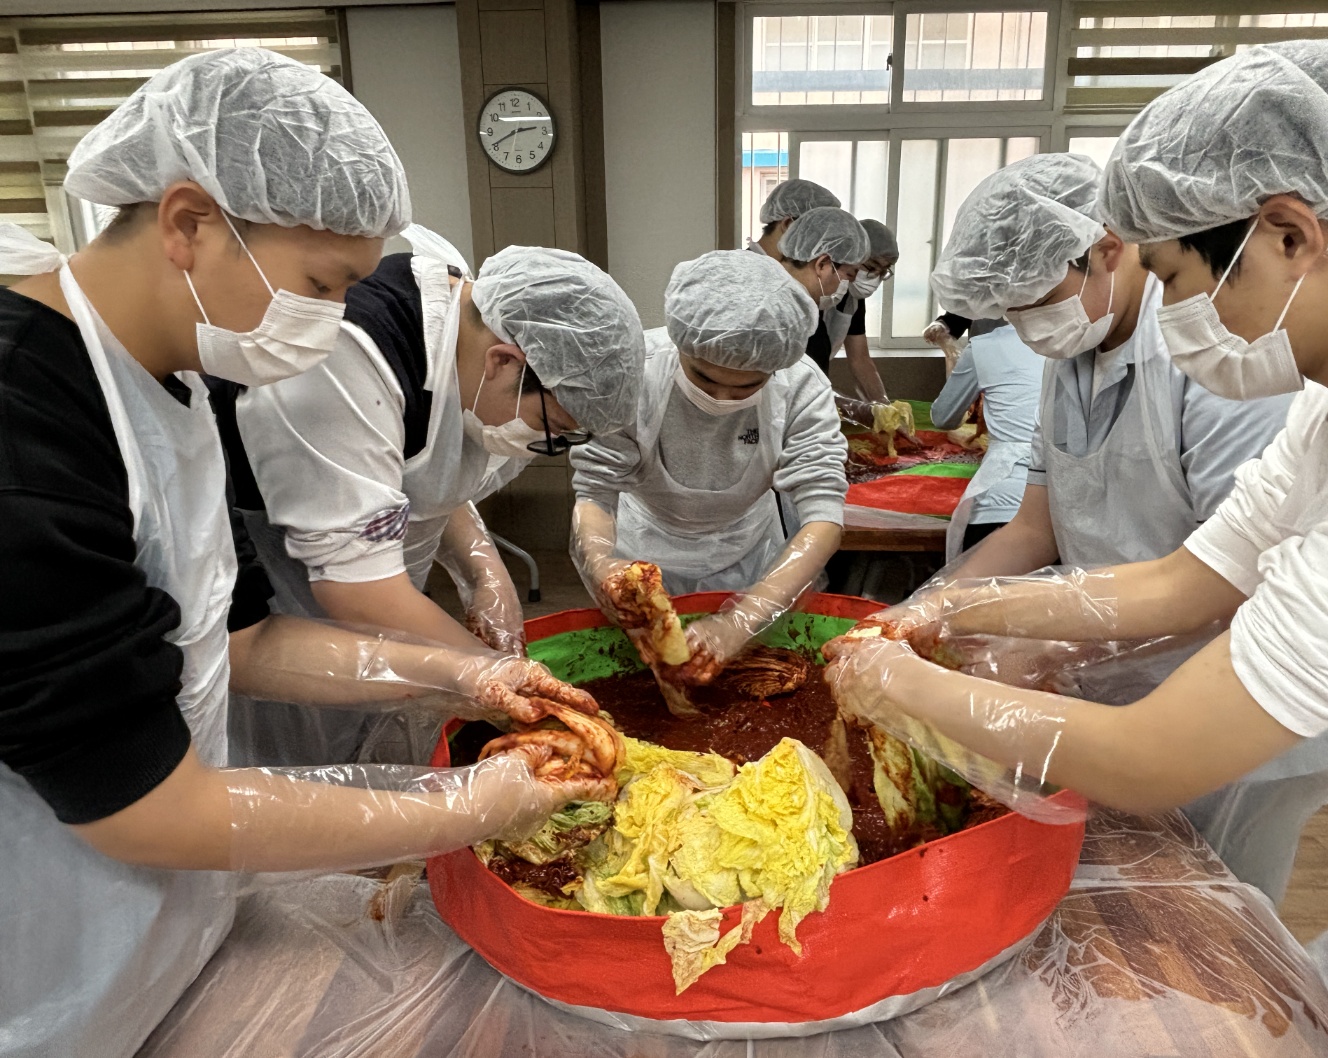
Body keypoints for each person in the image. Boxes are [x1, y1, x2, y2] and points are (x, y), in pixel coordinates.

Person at [0, 50, 607, 1058]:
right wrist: (466, 804)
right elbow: (141, 807)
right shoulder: (27, 422)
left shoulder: (174, 379)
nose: (326, 324)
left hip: (169, 928)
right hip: (51, 950)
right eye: (321, 285)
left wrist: (465, 670)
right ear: (190, 224)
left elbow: (240, 636)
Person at [824, 39, 1328, 1058]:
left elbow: (1155, 752)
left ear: (1288, 233)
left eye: (1180, 276)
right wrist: (941, 612)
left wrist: (901, 686)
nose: (1180, 312)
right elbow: (1182, 577)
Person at [910, 150, 1328, 903]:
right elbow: (1034, 528)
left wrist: (1048, 639)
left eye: (1036, 298)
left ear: (1108, 250)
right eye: (1010, 311)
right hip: (1116, 681)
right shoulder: (1070, 355)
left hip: (1235, 707)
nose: (1027, 327)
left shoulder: (1217, 355)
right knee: (1127, 904)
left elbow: (1229, 581)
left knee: (1211, 920)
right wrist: (927, 609)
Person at [219, 226, 644, 765]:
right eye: (551, 426)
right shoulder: (347, 358)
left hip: (386, 596)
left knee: (378, 732)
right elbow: (353, 588)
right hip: (287, 605)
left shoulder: (470, 343)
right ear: (504, 363)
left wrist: (483, 569)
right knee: (302, 767)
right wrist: (488, 675)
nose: (543, 445)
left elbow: (427, 471)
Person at [571, 249, 847, 683]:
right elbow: (595, 490)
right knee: (644, 682)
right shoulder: (635, 373)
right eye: (703, 377)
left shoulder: (800, 387)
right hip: (643, 551)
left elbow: (823, 517)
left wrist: (742, 620)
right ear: (681, 344)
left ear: (774, 369)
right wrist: (603, 565)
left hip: (751, 558)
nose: (723, 398)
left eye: (748, 386)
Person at [927, 320, 1045, 558]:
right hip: (1067, 503)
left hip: (1000, 501)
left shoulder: (987, 346)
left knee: (984, 592)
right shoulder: (1080, 345)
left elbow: (943, 417)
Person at [817, 218, 899, 395]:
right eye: (871, 267)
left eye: (883, 272)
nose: (874, 277)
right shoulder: (806, 294)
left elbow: (860, 359)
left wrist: (881, 404)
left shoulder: (851, 296)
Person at [747, 177, 841, 258]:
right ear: (789, 225)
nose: (821, 244)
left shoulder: (781, 271)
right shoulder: (741, 272)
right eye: (817, 234)